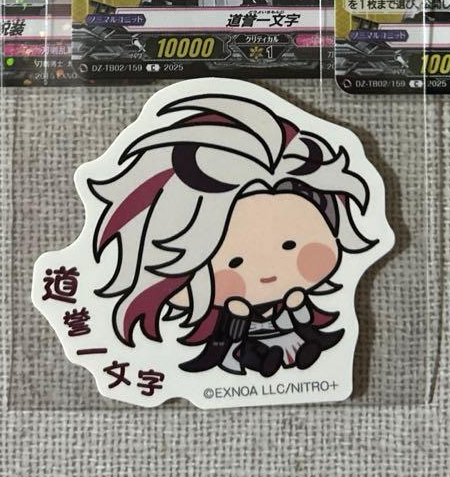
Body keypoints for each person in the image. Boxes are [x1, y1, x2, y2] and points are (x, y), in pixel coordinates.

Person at [89, 89, 379, 377]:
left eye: (289, 245)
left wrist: (298, 306)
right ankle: (263, 359)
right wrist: (238, 316)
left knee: (298, 342)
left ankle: (300, 353)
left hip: (289, 337)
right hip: (245, 348)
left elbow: (305, 319)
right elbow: (224, 337)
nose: (268, 269)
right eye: (235, 262)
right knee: (250, 353)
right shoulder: (227, 308)